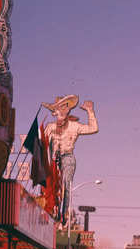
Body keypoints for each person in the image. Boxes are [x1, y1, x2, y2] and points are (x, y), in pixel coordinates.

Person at [42, 95, 99, 225]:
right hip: (53, 159)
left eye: (66, 106)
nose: (64, 108)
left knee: (66, 184)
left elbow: (93, 128)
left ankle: (63, 214)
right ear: (55, 111)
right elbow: (42, 144)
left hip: (67, 157)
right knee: (49, 184)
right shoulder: (50, 127)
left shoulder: (74, 125)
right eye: (61, 106)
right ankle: (51, 210)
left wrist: (90, 111)